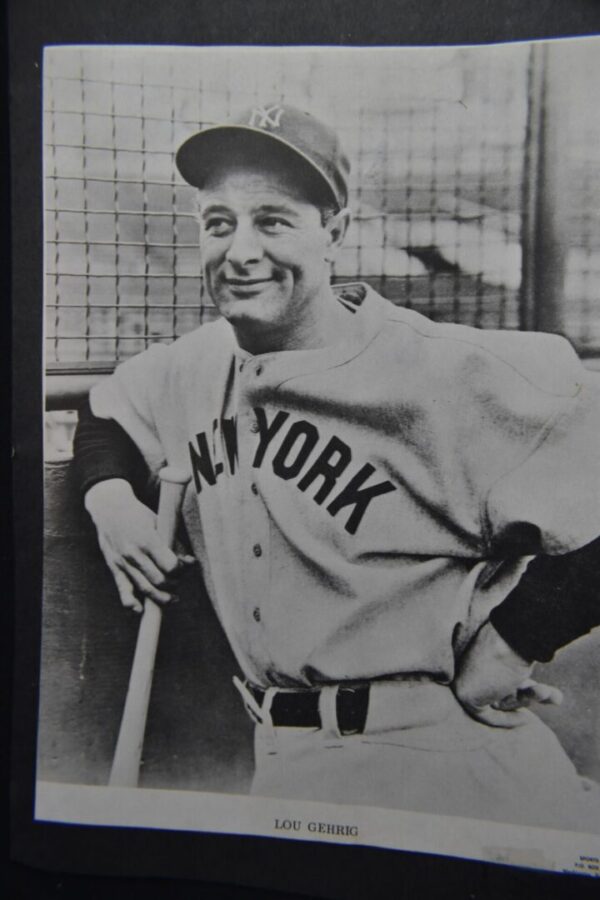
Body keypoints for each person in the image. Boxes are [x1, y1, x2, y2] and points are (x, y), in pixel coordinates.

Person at [73, 104, 600, 830]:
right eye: (218, 222)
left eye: (274, 220)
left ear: (336, 233)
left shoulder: (444, 370)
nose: (241, 249)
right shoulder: (195, 366)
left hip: (443, 766)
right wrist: (109, 500)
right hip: (285, 767)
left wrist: (518, 638)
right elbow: (106, 411)